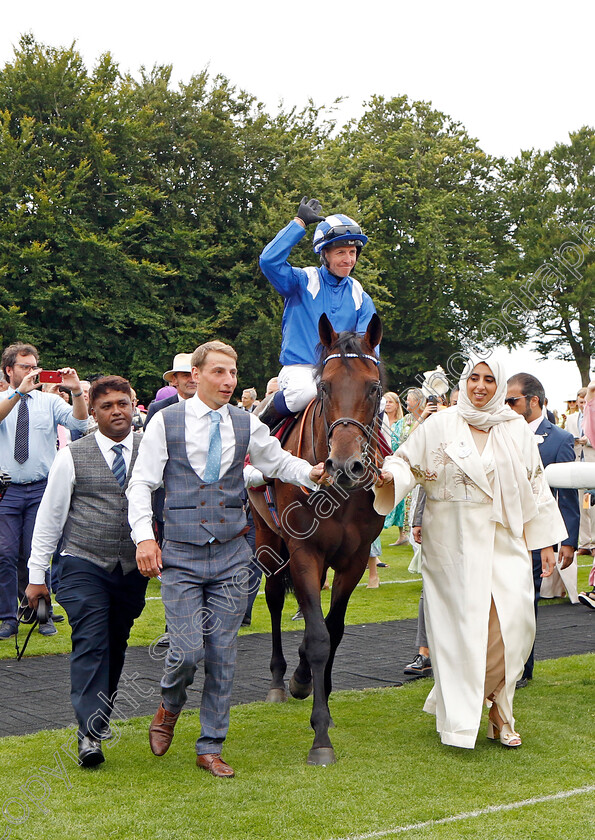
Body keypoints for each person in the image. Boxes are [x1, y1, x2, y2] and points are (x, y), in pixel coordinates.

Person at [126, 340, 328, 778]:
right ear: (195, 375)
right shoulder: (166, 422)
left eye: (233, 373)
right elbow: (141, 484)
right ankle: (169, 705)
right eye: (219, 372)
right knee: (184, 651)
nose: (228, 381)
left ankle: (210, 746)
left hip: (234, 557)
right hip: (179, 555)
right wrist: (145, 538)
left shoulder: (245, 423)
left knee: (222, 654)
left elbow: (276, 462)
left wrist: (308, 473)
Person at [374, 359, 566, 749]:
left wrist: (545, 542)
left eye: (489, 379)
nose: (480, 386)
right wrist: (391, 476)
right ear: (464, 382)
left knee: (517, 624)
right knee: (460, 633)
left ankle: (492, 696)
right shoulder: (440, 424)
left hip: (504, 538)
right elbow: (406, 461)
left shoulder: (514, 429)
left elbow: (536, 485)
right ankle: (480, 716)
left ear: (498, 384)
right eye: (474, 378)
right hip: (452, 543)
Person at [25, 376, 146, 766]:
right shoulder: (71, 455)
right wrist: (36, 577)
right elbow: (49, 519)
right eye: (107, 405)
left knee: (116, 642)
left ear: (133, 406)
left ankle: (100, 715)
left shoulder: (152, 450)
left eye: (122, 404)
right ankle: (88, 735)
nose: (116, 411)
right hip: (82, 562)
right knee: (92, 641)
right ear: (91, 412)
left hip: (131, 567)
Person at [258, 196, 377, 426]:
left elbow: (370, 347)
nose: (348, 259)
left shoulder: (361, 297)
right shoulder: (302, 281)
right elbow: (269, 261)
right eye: (341, 252)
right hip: (300, 370)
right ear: (325, 254)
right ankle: (259, 426)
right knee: (305, 392)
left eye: (352, 253)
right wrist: (299, 223)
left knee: (375, 401)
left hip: (343, 374)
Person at [0, 342, 88, 639]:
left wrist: (76, 391)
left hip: (40, 488)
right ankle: (8, 617)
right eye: (24, 366)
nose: (31, 371)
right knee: (5, 554)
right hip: (5, 490)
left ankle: (41, 613)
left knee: (37, 553)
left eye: (34, 366)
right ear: (9, 370)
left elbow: (80, 421)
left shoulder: (48, 402)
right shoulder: (3, 398)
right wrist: (18, 392)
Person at [506, 373, 579, 686]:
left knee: (527, 602)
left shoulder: (560, 439)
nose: (507, 406)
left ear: (532, 401)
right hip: (505, 531)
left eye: (513, 401)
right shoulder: (502, 433)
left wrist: (567, 541)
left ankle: (524, 668)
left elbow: (567, 496)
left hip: (538, 539)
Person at [565, 388, 595, 557]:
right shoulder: (570, 419)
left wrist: (588, 441)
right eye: (580, 402)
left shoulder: (593, 417)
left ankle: (594, 541)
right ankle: (584, 543)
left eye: (585, 402)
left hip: (592, 464)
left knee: (592, 506)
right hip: (577, 464)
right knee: (581, 506)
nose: (582, 405)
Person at [382, 392, 407, 546]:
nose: (388, 404)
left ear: (397, 404)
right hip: (384, 459)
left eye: (391, 401)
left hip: (398, 460)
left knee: (401, 497)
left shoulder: (403, 423)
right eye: (386, 401)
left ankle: (402, 533)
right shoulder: (381, 420)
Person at [145, 354, 197, 426]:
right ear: (174, 380)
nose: (192, 380)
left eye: (195, 375)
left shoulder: (211, 407)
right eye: (186, 375)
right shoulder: (158, 408)